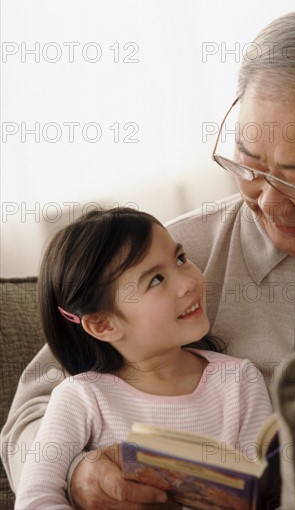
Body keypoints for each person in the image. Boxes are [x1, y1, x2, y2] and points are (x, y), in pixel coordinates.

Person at [1, 8, 295, 509]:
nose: (267, 204)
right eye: (249, 166)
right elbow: (32, 412)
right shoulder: (169, 252)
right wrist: (80, 474)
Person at [12, 207, 272, 509]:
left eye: (180, 259)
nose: (187, 283)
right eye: (156, 280)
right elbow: (36, 499)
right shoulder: (82, 398)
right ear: (103, 324)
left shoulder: (239, 379)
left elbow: (264, 492)